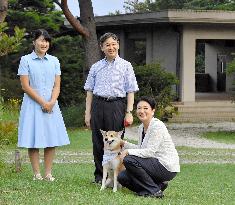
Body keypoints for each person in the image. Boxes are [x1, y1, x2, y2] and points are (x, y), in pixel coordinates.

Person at [84, 32, 139, 183]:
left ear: (118, 45)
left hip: (117, 106)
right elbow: (89, 91)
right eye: (107, 45)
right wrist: (87, 113)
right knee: (98, 142)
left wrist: (129, 112)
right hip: (98, 105)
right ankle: (100, 176)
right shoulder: (96, 67)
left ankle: (115, 176)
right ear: (102, 47)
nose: (111, 47)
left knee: (115, 142)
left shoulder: (126, 66)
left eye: (114, 44)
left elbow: (130, 91)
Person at [17, 29, 70, 181]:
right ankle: (37, 174)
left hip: (52, 105)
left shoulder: (54, 61)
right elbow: (25, 86)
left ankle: (47, 173)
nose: (44, 43)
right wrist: (42, 102)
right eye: (41, 40)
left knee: (51, 138)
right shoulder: (25, 60)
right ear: (34, 41)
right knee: (33, 139)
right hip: (33, 104)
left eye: (46, 40)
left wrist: (52, 102)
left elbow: (57, 86)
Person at [118, 96, 180, 198]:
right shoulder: (141, 128)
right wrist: (124, 144)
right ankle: (158, 186)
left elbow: (150, 152)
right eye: (139, 108)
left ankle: (154, 191)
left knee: (129, 160)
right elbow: (141, 149)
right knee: (122, 177)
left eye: (146, 108)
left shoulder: (157, 126)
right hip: (153, 164)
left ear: (153, 111)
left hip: (166, 166)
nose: (141, 111)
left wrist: (127, 151)